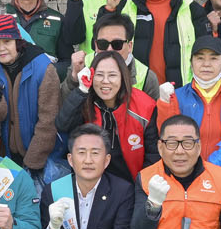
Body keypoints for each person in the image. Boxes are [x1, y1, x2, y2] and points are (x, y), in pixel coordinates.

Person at [54, 50, 159, 182]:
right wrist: (81, 90)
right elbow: (62, 125)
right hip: (92, 182)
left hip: (133, 183)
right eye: (99, 75)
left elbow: (153, 155)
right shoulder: (85, 101)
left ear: (123, 77)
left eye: (112, 75)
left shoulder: (144, 106)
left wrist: (141, 187)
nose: (105, 81)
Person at [0, 11, 62, 176]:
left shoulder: (43, 68)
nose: (1, 49)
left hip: (39, 154)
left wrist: (33, 162)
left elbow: (48, 120)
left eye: (7, 41)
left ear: (17, 41)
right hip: (6, 154)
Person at [155, 34, 221, 179]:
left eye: (213, 58)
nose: (206, 64)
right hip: (184, 178)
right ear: (191, 63)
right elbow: (166, 139)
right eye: (200, 58)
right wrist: (164, 105)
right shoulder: (175, 97)